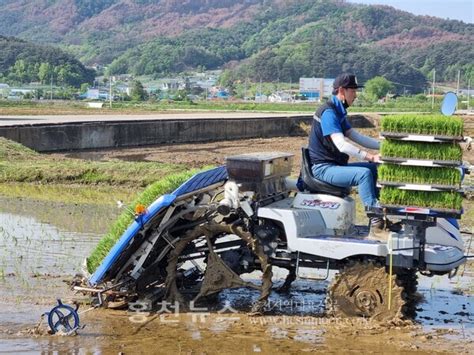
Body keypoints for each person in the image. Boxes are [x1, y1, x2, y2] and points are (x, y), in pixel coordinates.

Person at [307, 73, 394, 241]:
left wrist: (386, 146)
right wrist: (370, 156)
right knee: (363, 174)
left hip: (334, 166)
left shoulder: (338, 112)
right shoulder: (328, 113)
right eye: (353, 91)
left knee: (377, 169)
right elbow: (342, 145)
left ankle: (381, 219)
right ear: (341, 90)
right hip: (323, 169)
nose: (355, 95)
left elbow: (355, 136)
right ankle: (376, 226)